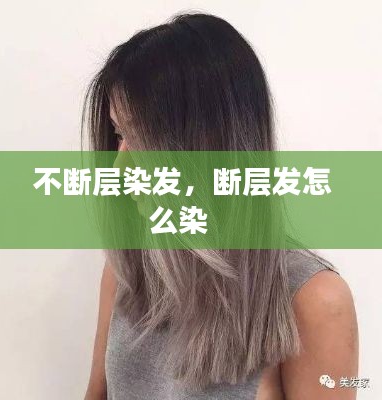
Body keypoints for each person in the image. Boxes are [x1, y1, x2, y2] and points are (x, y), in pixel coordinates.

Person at [83, 12, 358, 400]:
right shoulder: (128, 268)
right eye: (119, 134)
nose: (121, 166)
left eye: (144, 138)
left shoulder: (314, 300)